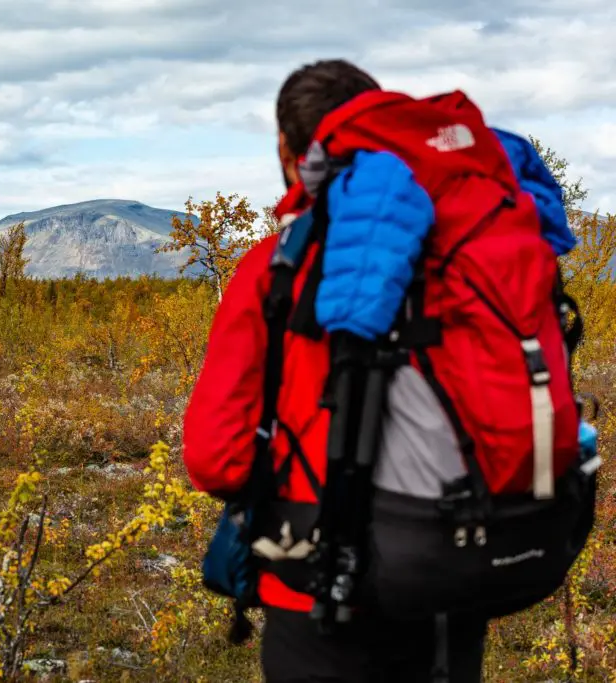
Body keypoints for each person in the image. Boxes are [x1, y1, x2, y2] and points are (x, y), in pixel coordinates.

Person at [181, 59, 583, 682]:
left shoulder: (278, 268)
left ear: (290, 152)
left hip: (315, 590)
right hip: (449, 566)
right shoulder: (480, 250)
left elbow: (216, 457)